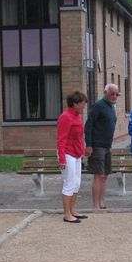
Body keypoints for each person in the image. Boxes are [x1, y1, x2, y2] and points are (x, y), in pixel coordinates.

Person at [85, 84, 118, 209]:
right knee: (98, 175)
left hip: (106, 146)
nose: (114, 96)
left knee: (104, 176)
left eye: (116, 94)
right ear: (105, 92)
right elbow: (88, 126)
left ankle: (102, 202)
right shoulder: (98, 106)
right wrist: (89, 145)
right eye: (112, 93)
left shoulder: (111, 107)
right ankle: (95, 205)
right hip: (97, 145)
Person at [56, 91, 88, 223]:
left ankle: (73, 210)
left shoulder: (78, 116)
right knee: (69, 183)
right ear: (74, 104)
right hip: (67, 153)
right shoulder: (65, 117)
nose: (84, 106)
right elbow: (61, 139)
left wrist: (82, 153)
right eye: (82, 104)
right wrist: (62, 159)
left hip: (76, 153)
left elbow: (79, 137)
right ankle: (67, 214)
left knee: (76, 183)